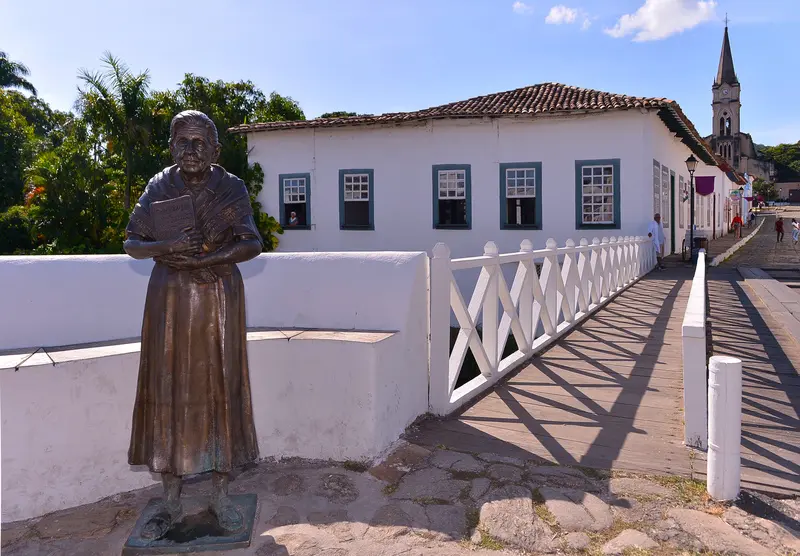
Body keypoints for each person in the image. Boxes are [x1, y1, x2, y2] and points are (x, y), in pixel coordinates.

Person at [123, 111, 262, 539]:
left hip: (217, 295)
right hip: (169, 299)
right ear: (170, 147)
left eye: (200, 142)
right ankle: (170, 497)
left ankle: (221, 495)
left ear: (215, 149)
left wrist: (207, 258)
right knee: (168, 389)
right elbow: (132, 242)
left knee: (221, 389)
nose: (191, 150)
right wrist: (168, 246)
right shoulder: (158, 186)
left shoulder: (231, 187)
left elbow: (252, 242)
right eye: (182, 141)